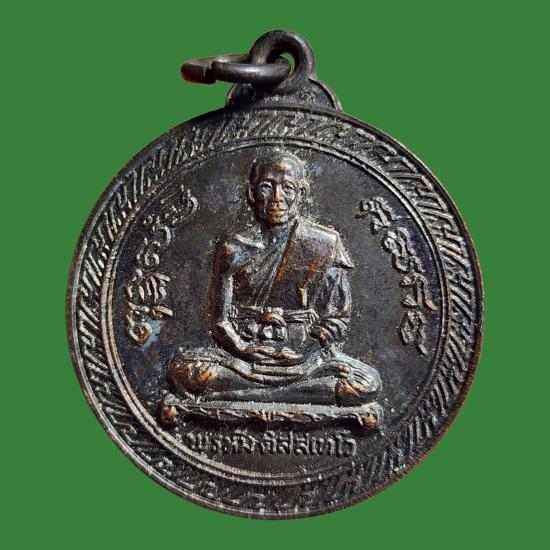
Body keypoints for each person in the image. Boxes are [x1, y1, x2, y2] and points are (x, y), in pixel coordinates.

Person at [168, 151, 381, 406]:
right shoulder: (233, 248)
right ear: (252, 194)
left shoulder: (325, 243)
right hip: (243, 357)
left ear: (302, 193)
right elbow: (220, 321)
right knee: (185, 370)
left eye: (287, 188)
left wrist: (306, 352)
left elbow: (337, 318)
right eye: (267, 187)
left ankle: (234, 396)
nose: (277, 198)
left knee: (366, 383)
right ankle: (294, 396)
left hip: (305, 357)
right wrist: (243, 348)